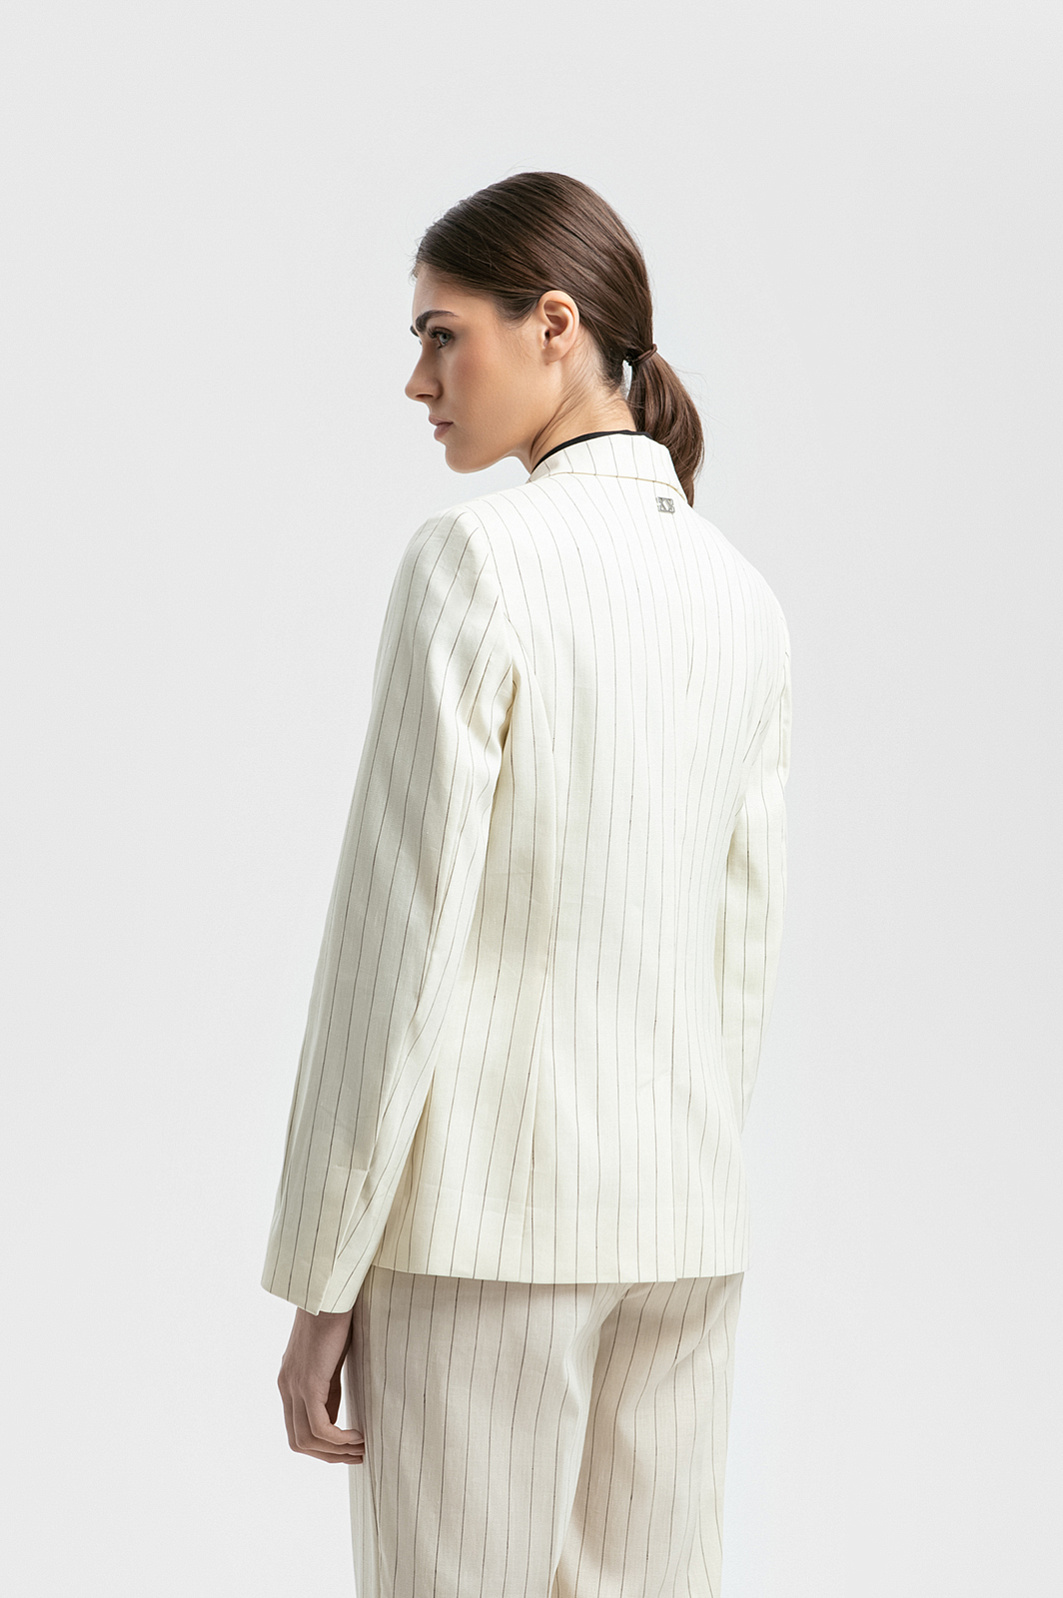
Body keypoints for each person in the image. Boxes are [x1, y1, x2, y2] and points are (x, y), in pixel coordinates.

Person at [262, 170, 792, 1598]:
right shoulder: (743, 598)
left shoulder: (473, 565)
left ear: (555, 325)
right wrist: (683, 1172)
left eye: (443, 335)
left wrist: (321, 1276)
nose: (418, 380)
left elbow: (393, 949)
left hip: (484, 1240)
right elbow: (743, 956)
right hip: (683, 1229)